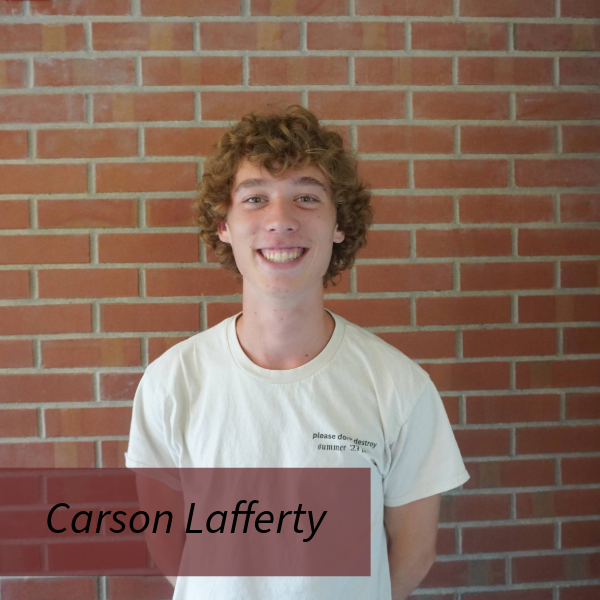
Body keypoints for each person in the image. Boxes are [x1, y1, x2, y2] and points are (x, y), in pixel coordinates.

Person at [125, 105, 470, 600]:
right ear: (223, 224)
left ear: (338, 225)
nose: (280, 220)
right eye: (255, 199)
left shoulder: (397, 385)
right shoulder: (173, 382)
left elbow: (413, 556)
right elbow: (167, 543)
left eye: (306, 197)